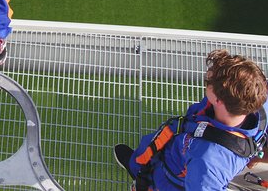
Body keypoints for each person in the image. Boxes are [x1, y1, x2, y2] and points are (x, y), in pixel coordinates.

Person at [114, 49, 268, 190]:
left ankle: (141, 179)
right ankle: (137, 164)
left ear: (218, 100)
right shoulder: (257, 101)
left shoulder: (209, 164)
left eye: (209, 83)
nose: (207, 81)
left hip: (170, 178)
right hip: (180, 146)